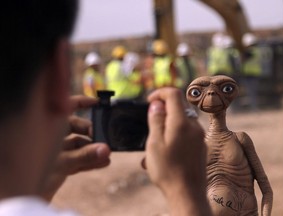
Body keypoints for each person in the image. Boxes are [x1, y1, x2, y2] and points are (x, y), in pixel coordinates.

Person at [0, 1, 212, 216]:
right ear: (60, 75)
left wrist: (33, 193)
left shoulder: (115, 65)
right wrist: (186, 194)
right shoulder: (146, 63)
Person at [241, 32, 262, 111]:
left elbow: (243, 58)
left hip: (249, 74)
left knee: (251, 92)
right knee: (253, 91)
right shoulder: (257, 50)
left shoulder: (249, 51)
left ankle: (254, 107)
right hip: (255, 73)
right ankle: (254, 106)